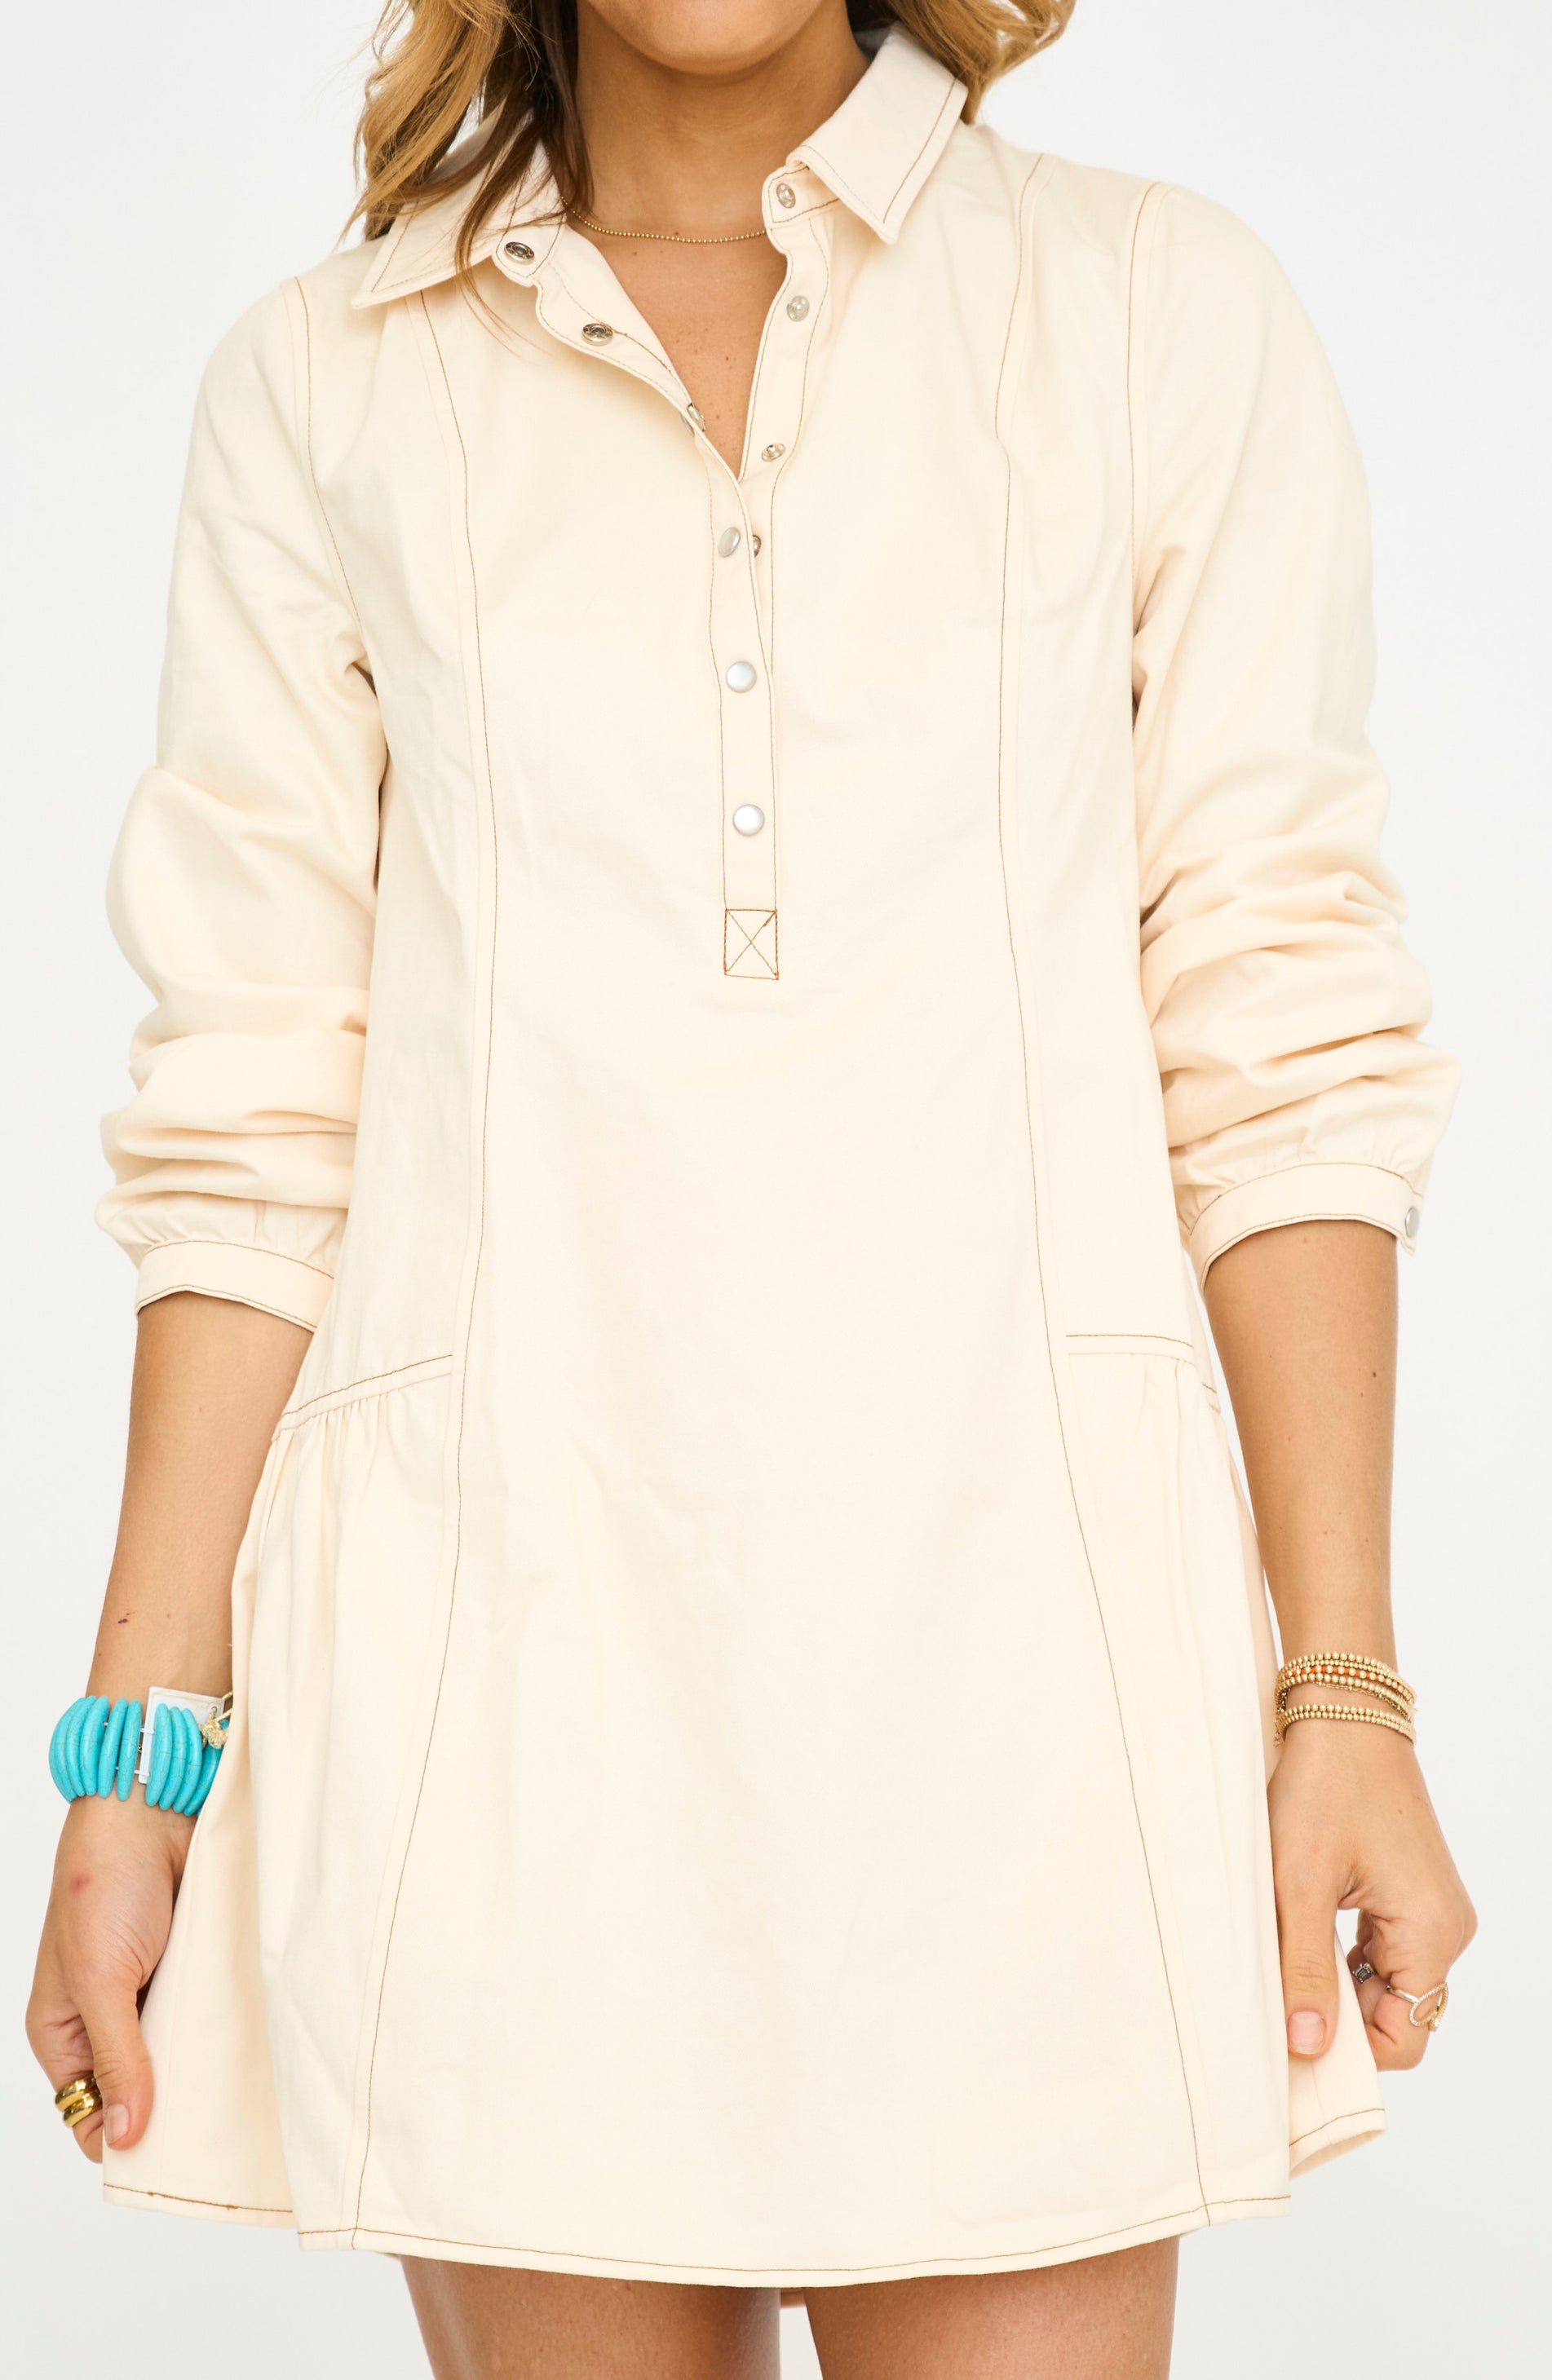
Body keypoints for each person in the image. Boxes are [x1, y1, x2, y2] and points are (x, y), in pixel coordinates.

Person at [28, 3, 1476, 2373]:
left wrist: (1347, 1691)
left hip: (1026, 1697)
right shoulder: (323, 383)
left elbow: (1283, 1043)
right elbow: (254, 1128)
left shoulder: (1149, 308)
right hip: (509, 1698)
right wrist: (130, 1766)